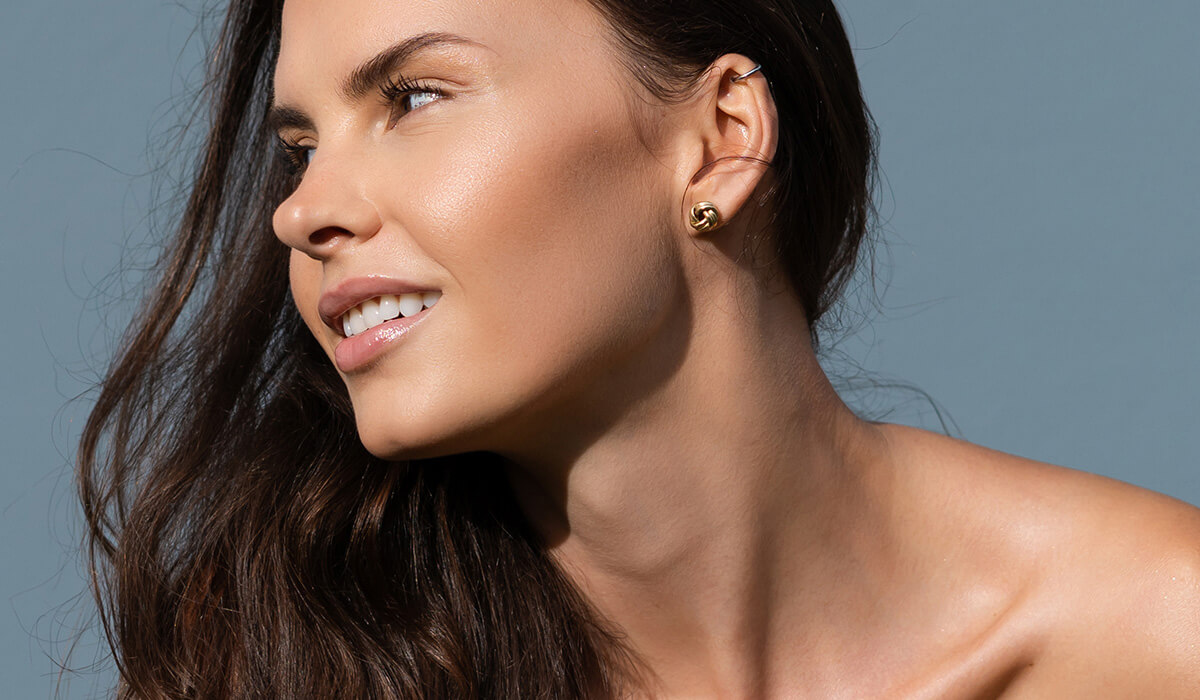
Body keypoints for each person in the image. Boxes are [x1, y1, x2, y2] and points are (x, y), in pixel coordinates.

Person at [78, 0, 1200, 697]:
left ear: (720, 140)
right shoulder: (277, 663)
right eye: (301, 146)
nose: (302, 210)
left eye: (414, 97)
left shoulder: (1160, 634)